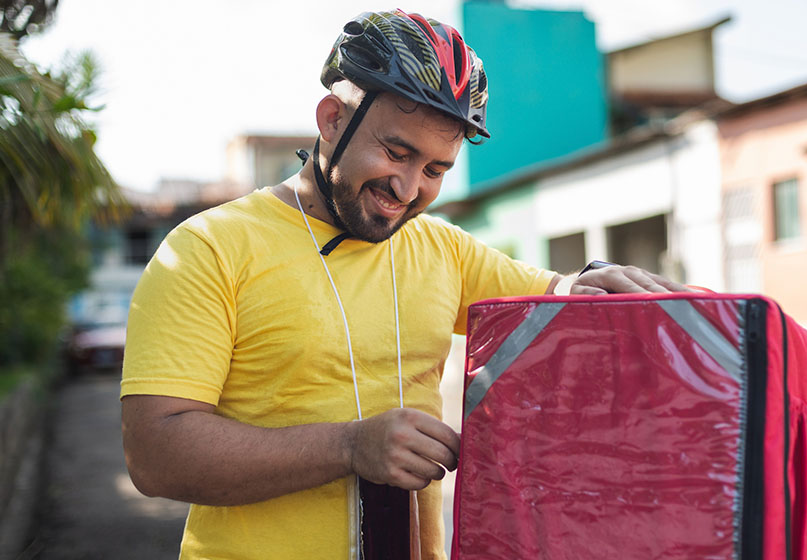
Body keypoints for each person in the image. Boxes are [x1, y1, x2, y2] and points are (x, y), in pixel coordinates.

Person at [120, 9, 688, 560]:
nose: (409, 187)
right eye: (396, 152)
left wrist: (594, 286)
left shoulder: (443, 248)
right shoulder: (209, 248)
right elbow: (155, 454)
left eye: (436, 169)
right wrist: (349, 446)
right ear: (331, 120)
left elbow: (556, 304)